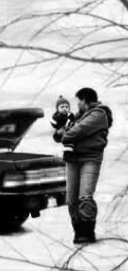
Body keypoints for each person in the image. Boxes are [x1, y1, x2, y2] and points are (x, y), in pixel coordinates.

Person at [61, 87, 113, 245]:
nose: (77, 105)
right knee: (71, 199)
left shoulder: (99, 114)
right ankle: (78, 231)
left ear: (85, 100)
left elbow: (77, 131)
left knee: (85, 195)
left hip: (90, 158)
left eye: (79, 101)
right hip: (73, 159)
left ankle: (87, 231)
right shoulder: (79, 116)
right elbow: (62, 132)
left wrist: (66, 133)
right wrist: (62, 131)